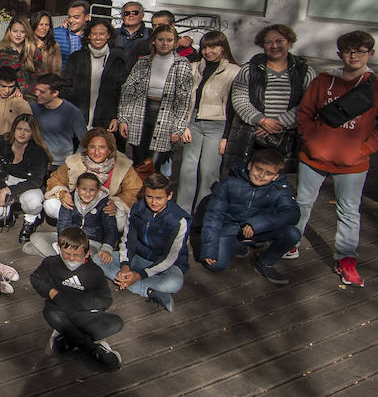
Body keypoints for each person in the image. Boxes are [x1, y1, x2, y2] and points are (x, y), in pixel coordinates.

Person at [293, 30, 378, 287]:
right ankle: (290, 242)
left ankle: (346, 259)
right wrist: (312, 139)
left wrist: (363, 150)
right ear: (340, 54)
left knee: (349, 211)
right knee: (302, 203)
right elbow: (305, 113)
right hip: (314, 156)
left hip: (353, 162)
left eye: (361, 51)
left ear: (370, 54)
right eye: (349, 51)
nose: (354, 55)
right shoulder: (323, 81)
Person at [201, 148, 300, 285]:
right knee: (216, 265)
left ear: (275, 176)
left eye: (268, 173)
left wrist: (258, 224)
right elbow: (213, 217)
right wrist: (209, 247)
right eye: (258, 169)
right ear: (249, 165)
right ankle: (238, 246)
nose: (261, 175)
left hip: (258, 229)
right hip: (229, 229)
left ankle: (264, 262)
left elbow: (292, 214)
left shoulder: (280, 188)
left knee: (293, 233)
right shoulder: (228, 184)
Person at [223, 24, 316, 168]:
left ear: (290, 43)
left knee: (276, 183)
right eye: (268, 42)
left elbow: (309, 103)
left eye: (280, 41)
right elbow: (239, 99)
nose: (274, 46)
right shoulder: (249, 69)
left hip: (287, 138)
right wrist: (262, 121)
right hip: (251, 136)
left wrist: (278, 123)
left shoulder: (304, 72)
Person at [31, 227, 124, 369]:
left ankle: (66, 341)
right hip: (59, 310)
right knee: (51, 314)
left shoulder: (94, 272)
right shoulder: (51, 263)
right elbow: (36, 278)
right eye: (67, 254)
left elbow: (106, 300)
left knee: (116, 322)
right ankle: (94, 350)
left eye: (77, 255)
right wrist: (51, 292)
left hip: (83, 314)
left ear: (87, 253)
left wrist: (83, 304)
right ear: (59, 249)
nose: (71, 258)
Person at [97, 173, 190, 312]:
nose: (153, 202)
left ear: (169, 196)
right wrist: (125, 266)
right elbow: (127, 239)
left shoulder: (179, 220)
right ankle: (149, 291)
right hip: (138, 257)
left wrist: (140, 275)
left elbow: (170, 258)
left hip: (166, 265)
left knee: (175, 283)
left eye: (159, 198)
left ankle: (131, 281)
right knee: (97, 259)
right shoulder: (137, 208)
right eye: (149, 197)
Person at [117, 24, 195, 173]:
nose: (164, 44)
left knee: (153, 164)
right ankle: (139, 193)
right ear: (153, 41)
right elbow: (128, 91)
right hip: (141, 113)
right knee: (139, 162)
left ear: (175, 42)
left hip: (165, 116)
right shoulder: (143, 62)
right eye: (160, 39)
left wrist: (178, 127)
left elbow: (184, 99)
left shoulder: (181, 65)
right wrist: (124, 119)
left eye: (169, 40)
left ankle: (150, 193)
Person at [179, 31, 239, 212]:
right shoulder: (195, 67)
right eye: (204, 47)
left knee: (208, 172)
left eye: (213, 47)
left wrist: (226, 137)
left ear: (223, 47)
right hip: (193, 123)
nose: (208, 51)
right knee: (187, 170)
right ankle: (182, 215)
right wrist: (183, 124)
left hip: (217, 124)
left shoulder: (234, 71)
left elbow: (233, 107)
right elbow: (183, 98)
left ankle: (201, 216)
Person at [44, 129, 142, 231]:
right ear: (86, 148)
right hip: (77, 206)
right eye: (92, 147)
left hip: (102, 210)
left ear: (109, 149)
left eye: (102, 147)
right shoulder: (74, 161)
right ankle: (74, 229)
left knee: (120, 221)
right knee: (50, 205)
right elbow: (56, 179)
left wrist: (117, 203)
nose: (96, 152)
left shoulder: (122, 165)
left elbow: (134, 189)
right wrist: (62, 193)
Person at [0, 113, 52, 244]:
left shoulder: (38, 151)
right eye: (19, 129)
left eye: (27, 130)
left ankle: (30, 221)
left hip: (27, 185)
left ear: (33, 133)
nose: (22, 133)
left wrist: (7, 190)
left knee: (34, 201)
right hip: (1, 181)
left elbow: (36, 181)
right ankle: (9, 216)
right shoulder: (0, 142)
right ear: (14, 129)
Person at [25, 172, 117, 262]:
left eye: (92, 190)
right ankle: (66, 259)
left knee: (92, 257)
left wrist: (106, 248)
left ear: (98, 190)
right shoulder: (69, 199)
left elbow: (111, 228)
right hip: (69, 240)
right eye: (84, 189)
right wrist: (63, 244)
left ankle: (58, 259)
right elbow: (63, 224)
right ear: (77, 188)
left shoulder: (105, 204)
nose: (88, 194)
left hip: (90, 243)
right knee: (35, 237)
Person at [61, 18, 127, 131]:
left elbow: (121, 91)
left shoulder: (118, 59)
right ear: (88, 36)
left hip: (104, 119)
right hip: (78, 116)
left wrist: (115, 117)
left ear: (108, 36)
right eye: (94, 34)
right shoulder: (77, 57)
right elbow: (66, 86)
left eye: (102, 34)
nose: (97, 37)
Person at [31, 74, 88, 160]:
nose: (36, 94)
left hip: (61, 163)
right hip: (38, 161)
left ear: (55, 93)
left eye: (42, 92)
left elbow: (85, 140)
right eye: (36, 90)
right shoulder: (33, 108)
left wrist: (73, 160)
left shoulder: (72, 112)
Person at [0, 17, 43, 99]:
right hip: (8, 98)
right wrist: (14, 89)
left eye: (22, 32)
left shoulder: (34, 51)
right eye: (15, 31)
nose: (18, 35)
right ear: (9, 31)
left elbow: (41, 76)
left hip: (32, 98)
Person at [30, 11, 64, 76]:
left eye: (47, 25)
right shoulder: (26, 44)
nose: (44, 28)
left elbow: (56, 71)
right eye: (41, 24)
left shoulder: (54, 46)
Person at [56, 1, 89, 65]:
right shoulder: (57, 34)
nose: (71, 20)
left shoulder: (91, 35)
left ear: (86, 17)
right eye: (69, 17)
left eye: (76, 17)